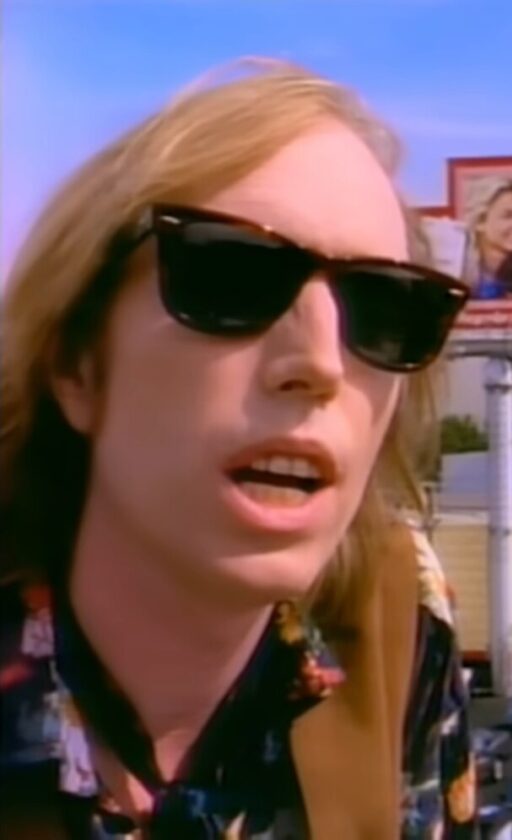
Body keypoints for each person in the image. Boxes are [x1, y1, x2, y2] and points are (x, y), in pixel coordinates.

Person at [0, 58, 478, 838]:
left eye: (386, 307)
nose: (321, 363)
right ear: (76, 363)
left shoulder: (398, 615)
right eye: (231, 277)